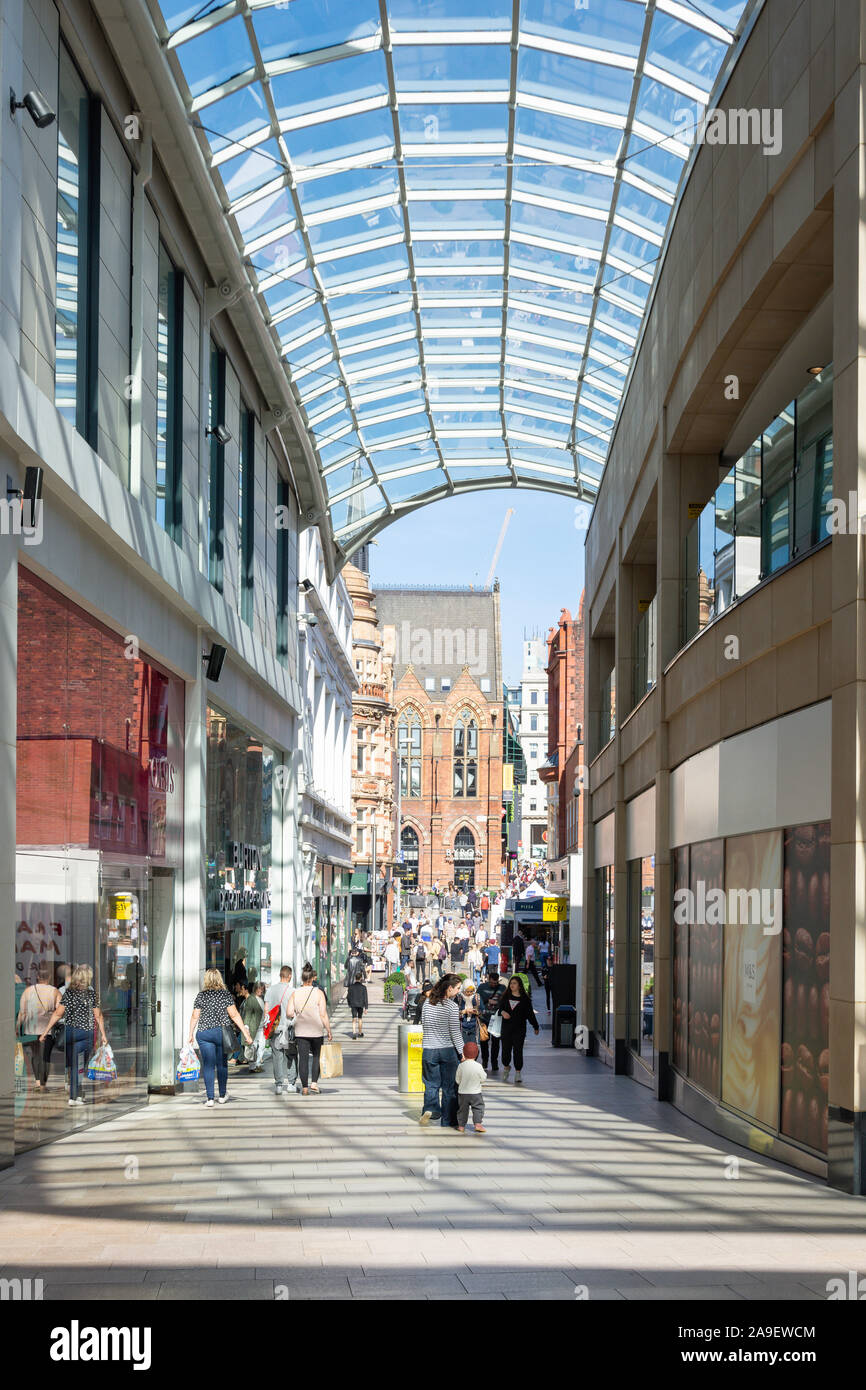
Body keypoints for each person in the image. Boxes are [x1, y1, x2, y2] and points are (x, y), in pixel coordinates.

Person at [39, 964, 108, 1105]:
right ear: (87, 978)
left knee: (73, 1065)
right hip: (85, 1033)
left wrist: (45, 1032)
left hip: (70, 1032)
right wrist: (103, 1035)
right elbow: (98, 1015)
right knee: (80, 1065)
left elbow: (58, 1014)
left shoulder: (68, 993)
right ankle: (75, 1096)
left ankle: (75, 1095)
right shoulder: (91, 994)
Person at [186, 968, 252, 1107]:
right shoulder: (225, 995)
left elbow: (195, 1016)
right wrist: (246, 1033)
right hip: (221, 1033)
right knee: (221, 1064)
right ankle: (222, 1095)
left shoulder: (201, 996)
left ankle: (210, 1098)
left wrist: (190, 1034)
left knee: (208, 1066)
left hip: (204, 1034)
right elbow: (234, 1015)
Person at [419, 974, 464, 1128]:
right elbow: (455, 1032)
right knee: (449, 1087)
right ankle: (448, 1119)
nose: (458, 991)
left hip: (429, 1049)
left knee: (431, 1084)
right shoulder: (452, 1006)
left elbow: (424, 1024)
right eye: (458, 988)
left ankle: (431, 1109)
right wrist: (462, 1053)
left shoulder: (427, 1004)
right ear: (449, 988)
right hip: (447, 1050)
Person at [287, 963, 333, 1095]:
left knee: (303, 1059)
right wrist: (329, 1030)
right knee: (317, 1056)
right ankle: (314, 1083)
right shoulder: (319, 993)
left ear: (302, 979)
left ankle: (305, 1088)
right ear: (312, 978)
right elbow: (323, 1014)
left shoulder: (295, 993)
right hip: (317, 1030)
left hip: (301, 1031)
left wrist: (297, 1013)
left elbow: (289, 1012)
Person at [18, 965, 61, 1090]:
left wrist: (17, 1027)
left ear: (37, 977)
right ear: (49, 977)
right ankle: (43, 1084)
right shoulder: (54, 991)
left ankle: (38, 1082)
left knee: (35, 1055)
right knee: (45, 1055)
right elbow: (59, 1011)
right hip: (47, 1027)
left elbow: (22, 1012)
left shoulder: (28, 990)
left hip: (31, 1027)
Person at [496, 975, 540, 1085]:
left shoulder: (525, 999)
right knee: (505, 1051)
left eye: (514, 983)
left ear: (519, 986)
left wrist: (535, 1026)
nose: (512, 985)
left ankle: (518, 1072)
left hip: (519, 1030)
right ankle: (506, 1067)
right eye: (511, 983)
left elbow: (530, 1014)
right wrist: (503, 1013)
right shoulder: (505, 997)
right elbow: (500, 1008)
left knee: (518, 1051)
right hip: (506, 1029)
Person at [265, 966, 298, 1095]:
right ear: (289, 976)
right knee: (291, 1055)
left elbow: (266, 1011)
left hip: (275, 1029)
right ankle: (291, 1084)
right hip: (288, 1029)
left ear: (280, 975)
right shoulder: (292, 991)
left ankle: (279, 1085)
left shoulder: (270, 990)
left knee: (277, 1056)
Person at [478, 968, 506, 1074]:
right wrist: (486, 1001)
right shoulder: (482, 987)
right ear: (488, 980)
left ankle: (494, 1062)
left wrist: (497, 1003)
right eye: (491, 982)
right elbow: (477, 1000)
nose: (493, 984)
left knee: (496, 1042)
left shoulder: (502, 988)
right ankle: (485, 1060)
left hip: (496, 1019)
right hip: (484, 1019)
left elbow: (505, 1002)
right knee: (484, 1041)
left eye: (495, 983)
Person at [455, 1041, 486, 1133]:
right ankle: (478, 1124)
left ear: (464, 1053)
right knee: (478, 1108)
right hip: (475, 1093)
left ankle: (461, 1126)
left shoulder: (461, 1066)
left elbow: (457, 1080)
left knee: (462, 1110)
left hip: (463, 1093)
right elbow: (483, 1078)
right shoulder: (478, 1066)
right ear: (477, 1054)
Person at [242, 981, 265, 1071]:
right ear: (255, 988)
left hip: (261, 1026)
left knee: (262, 1046)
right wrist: (246, 1026)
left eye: (262, 988)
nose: (261, 990)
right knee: (253, 1046)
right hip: (253, 1026)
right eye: (259, 988)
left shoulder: (262, 999)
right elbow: (248, 1013)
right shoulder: (251, 999)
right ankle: (253, 1066)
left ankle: (258, 1064)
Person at [347, 973, 368, 1039]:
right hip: (360, 1005)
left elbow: (348, 996)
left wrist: (349, 1003)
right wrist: (366, 1007)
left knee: (354, 1018)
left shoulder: (351, 987)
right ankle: (360, 1033)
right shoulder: (363, 987)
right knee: (360, 1018)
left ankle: (353, 1033)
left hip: (353, 1004)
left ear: (355, 978)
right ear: (361, 978)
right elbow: (365, 998)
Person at [459, 981, 480, 1046]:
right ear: (464, 990)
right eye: (467, 991)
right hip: (462, 1026)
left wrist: (475, 1012)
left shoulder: (476, 997)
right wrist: (464, 1011)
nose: (469, 993)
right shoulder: (460, 998)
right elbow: (455, 1012)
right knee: (463, 1047)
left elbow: (482, 1010)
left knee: (473, 1047)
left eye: (471, 991)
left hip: (473, 1026)